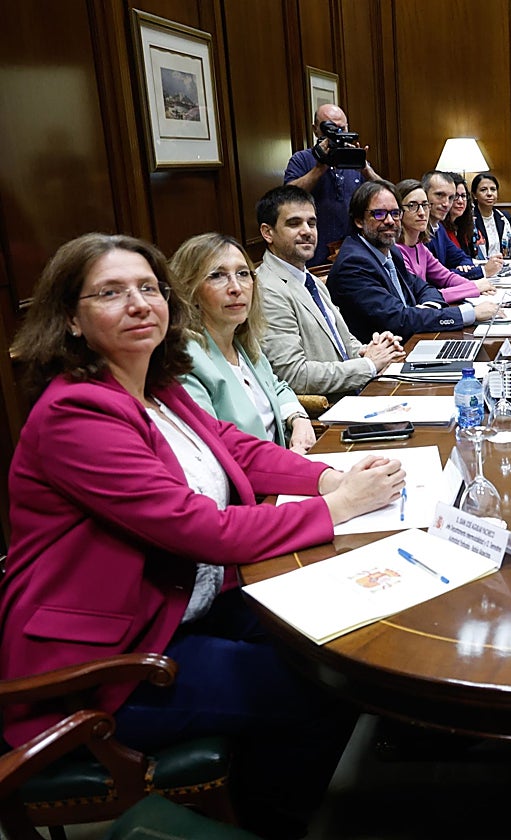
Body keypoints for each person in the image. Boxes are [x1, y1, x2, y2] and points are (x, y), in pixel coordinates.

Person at [2, 233, 407, 837]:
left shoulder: (154, 385)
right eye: (111, 293)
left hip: (184, 600)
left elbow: (237, 449)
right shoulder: (75, 412)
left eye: (148, 288)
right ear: (71, 319)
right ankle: (268, 820)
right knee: (321, 688)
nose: (139, 304)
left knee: (349, 633)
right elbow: (196, 528)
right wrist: (340, 508)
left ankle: (277, 790)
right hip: (108, 657)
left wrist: (328, 477)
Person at [255, 185, 406, 400]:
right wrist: (369, 364)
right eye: (294, 223)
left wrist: (372, 349)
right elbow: (293, 375)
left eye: (312, 223)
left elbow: (345, 343)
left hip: (356, 395)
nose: (307, 231)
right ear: (267, 232)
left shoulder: (311, 280)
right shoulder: (267, 289)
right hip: (327, 415)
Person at [171, 233, 316, 454]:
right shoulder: (186, 360)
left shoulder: (242, 342)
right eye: (217, 275)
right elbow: (218, 448)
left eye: (242, 274)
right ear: (189, 289)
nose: (236, 287)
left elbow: (277, 387)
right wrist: (290, 461)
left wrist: (298, 418)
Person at [328, 180, 499, 342]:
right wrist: (469, 313)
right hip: (385, 358)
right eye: (379, 214)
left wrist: (422, 311)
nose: (389, 221)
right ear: (358, 220)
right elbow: (399, 319)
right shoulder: (354, 263)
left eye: (395, 213)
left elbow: (424, 288)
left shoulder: (390, 251)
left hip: (412, 341)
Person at [283, 103, 380, 267]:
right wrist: (320, 167)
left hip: (354, 251)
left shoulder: (353, 159)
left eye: (342, 128)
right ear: (315, 129)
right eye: (331, 129)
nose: (337, 134)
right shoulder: (301, 159)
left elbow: (385, 195)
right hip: (314, 253)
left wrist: (366, 170)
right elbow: (287, 198)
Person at [393, 178, 494, 304]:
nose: (422, 213)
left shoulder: (419, 247)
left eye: (425, 205)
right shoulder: (395, 251)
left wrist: (478, 286)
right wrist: (473, 288)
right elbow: (419, 297)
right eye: (412, 206)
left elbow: (446, 277)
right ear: (397, 212)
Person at [423, 170, 503, 279]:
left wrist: (465, 266)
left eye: (451, 197)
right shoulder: (419, 231)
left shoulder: (439, 228)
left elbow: (463, 257)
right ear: (424, 195)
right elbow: (436, 276)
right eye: (439, 195)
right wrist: (483, 271)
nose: (446, 203)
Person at [472, 171, 511, 258]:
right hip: (480, 268)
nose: (489, 194)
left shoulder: (504, 217)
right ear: (474, 195)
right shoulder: (469, 219)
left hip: (504, 266)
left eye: (493, 189)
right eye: (483, 190)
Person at [443, 172, 479, 255]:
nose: (460, 201)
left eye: (463, 196)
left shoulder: (462, 226)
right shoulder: (440, 229)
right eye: (455, 196)